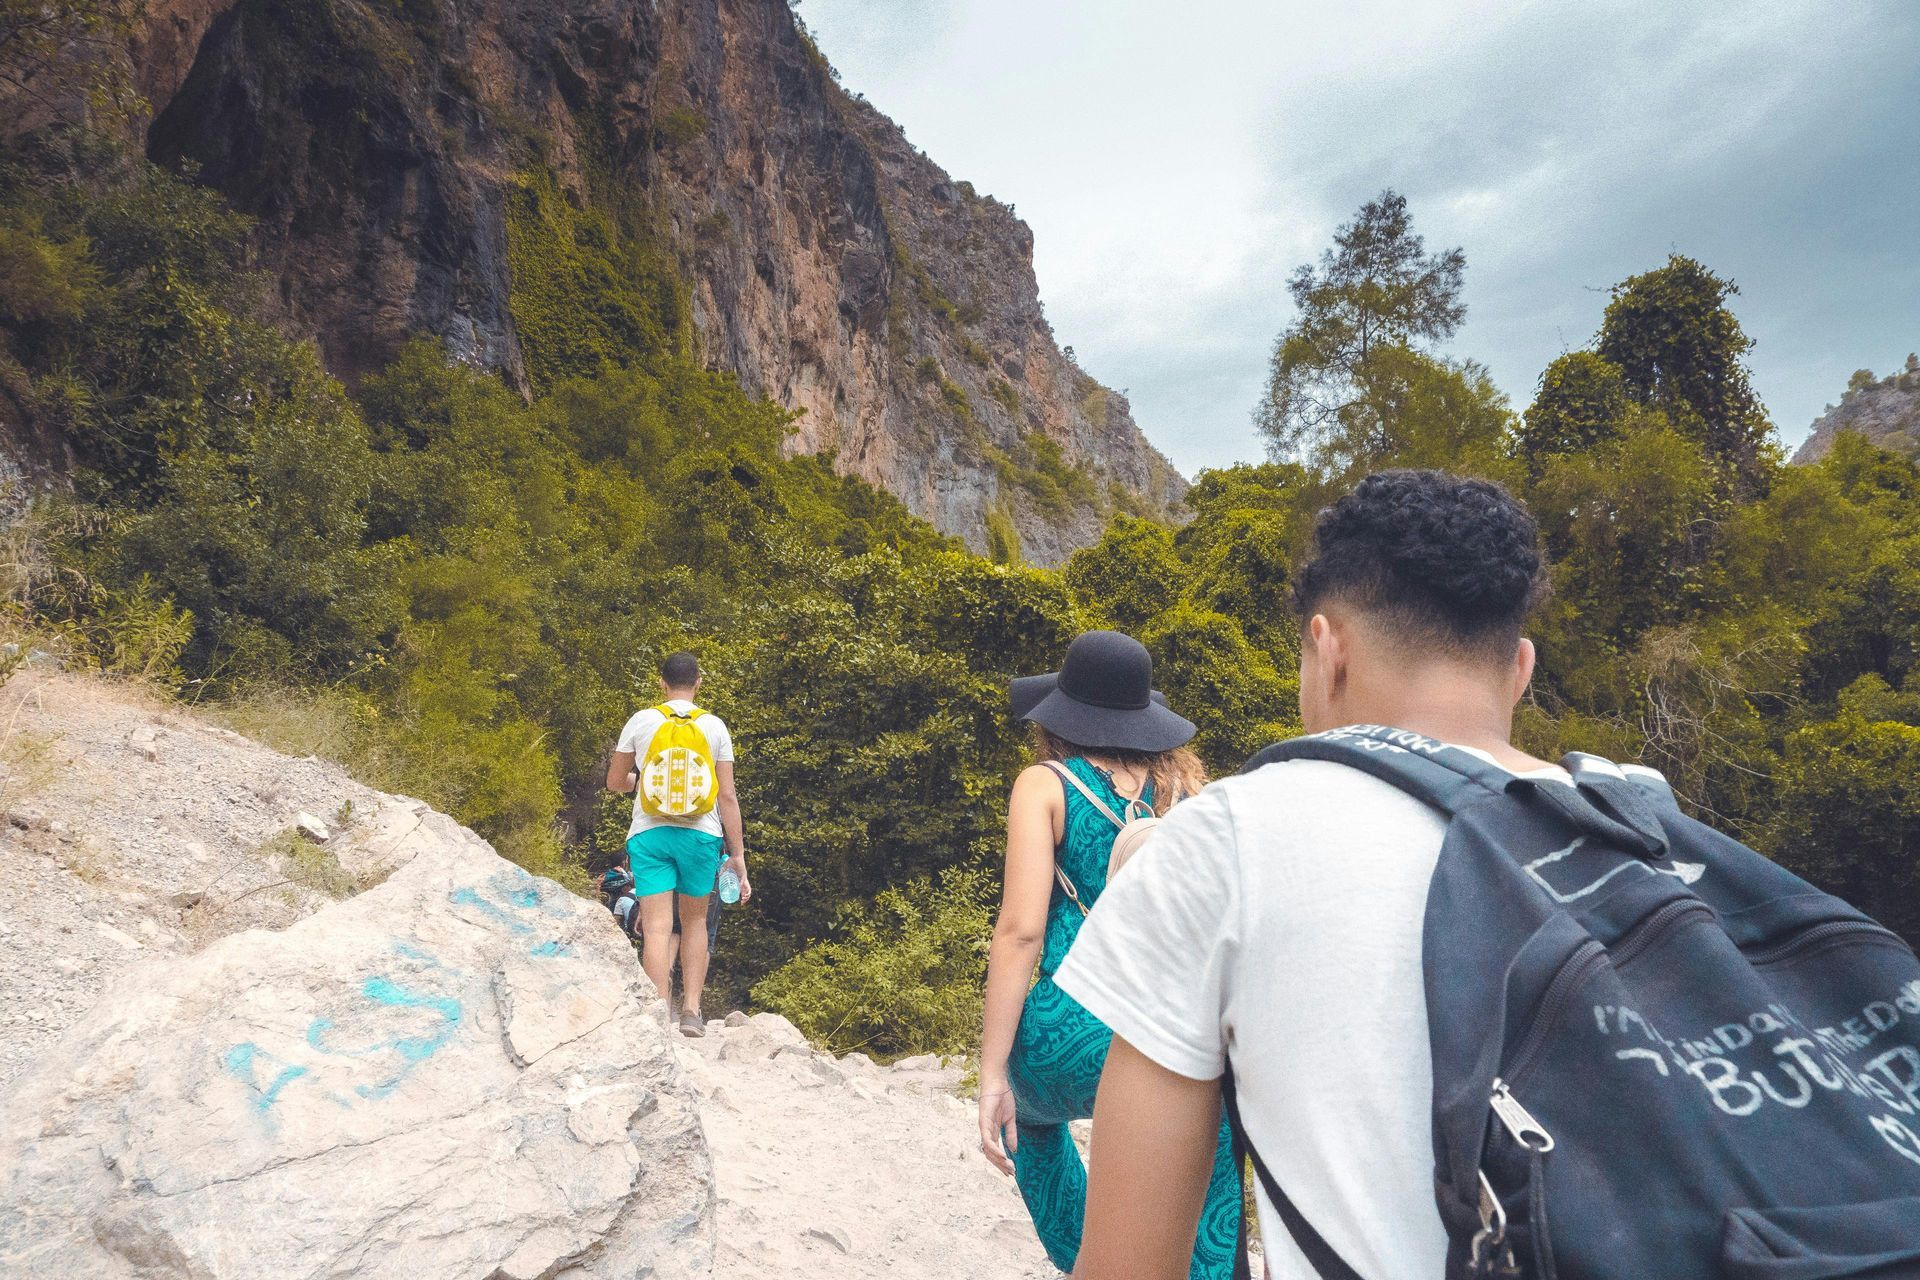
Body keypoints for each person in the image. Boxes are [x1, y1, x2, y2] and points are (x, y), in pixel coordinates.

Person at [1057, 470, 1560, 1279]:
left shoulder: (1226, 839)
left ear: (1328, 652)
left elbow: (1128, 1265)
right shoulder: (1645, 828)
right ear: (1521, 668)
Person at [977, 630, 1242, 1279]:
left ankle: (1094, 1261)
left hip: (1075, 1024)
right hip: (1171, 1020)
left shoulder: (1043, 785)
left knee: (1028, 1116)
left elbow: (1020, 934)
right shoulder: (1180, 791)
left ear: (1062, 717)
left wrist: (991, 1072)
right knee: (1211, 1150)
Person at [605, 651, 751, 1037]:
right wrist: (737, 855)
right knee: (695, 921)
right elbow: (728, 796)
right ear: (698, 683)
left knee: (655, 927)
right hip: (701, 834)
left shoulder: (642, 720)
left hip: (650, 835)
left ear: (661, 682)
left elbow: (615, 782)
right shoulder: (715, 727)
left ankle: (656, 1014)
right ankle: (691, 1012)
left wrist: (641, 784)